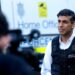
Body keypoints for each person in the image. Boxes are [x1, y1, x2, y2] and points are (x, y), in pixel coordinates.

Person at [41, 9, 75, 75]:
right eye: (59, 21)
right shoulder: (51, 44)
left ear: (73, 24)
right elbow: (45, 70)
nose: (60, 25)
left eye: (64, 22)